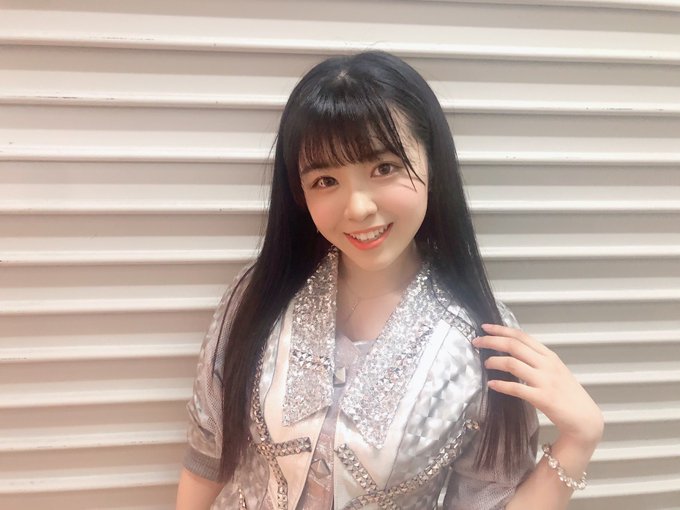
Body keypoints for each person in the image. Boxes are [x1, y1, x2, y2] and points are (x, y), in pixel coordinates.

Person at [175, 50, 604, 510]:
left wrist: (580, 440)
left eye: (384, 168)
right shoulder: (260, 295)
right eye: (325, 180)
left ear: (432, 163)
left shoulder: (480, 340)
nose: (358, 208)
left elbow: (487, 501)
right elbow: (207, 458)